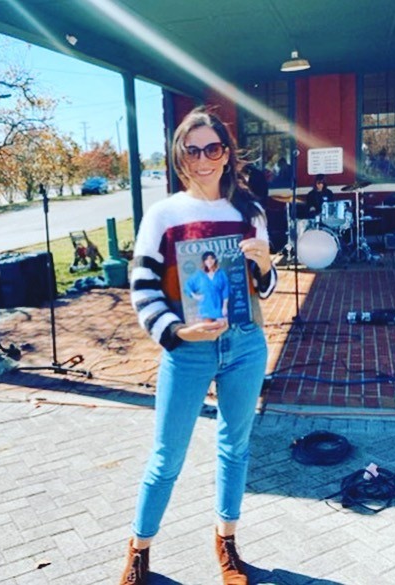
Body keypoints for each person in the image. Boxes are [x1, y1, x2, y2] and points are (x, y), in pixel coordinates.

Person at [120, 106, 277, 585]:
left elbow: (263, 289)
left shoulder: (249, 212)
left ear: (226, 154)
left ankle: (226, 544)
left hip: (245, 345)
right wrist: (175, 331)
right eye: (193, 151)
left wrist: (265, 265)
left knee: (235, 448)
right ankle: (139, 551)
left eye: (213, 149)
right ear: (180, 157)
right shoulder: (165, 214)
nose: (203, 159)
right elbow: (142, 286)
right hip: (187, 350)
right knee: (166, 457)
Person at [184, 251, 230, 321]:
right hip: (205, 308)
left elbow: (225, 290)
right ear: (204, 262)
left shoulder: (221, 274)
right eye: (207, 259)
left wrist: (225, 307)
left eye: (211, 258)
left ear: (215, 260)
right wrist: (195, 296)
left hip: (219, 307)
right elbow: (187, 285)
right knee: (208, 326)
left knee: (221, 326)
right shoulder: (199, 275)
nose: (209, 261)